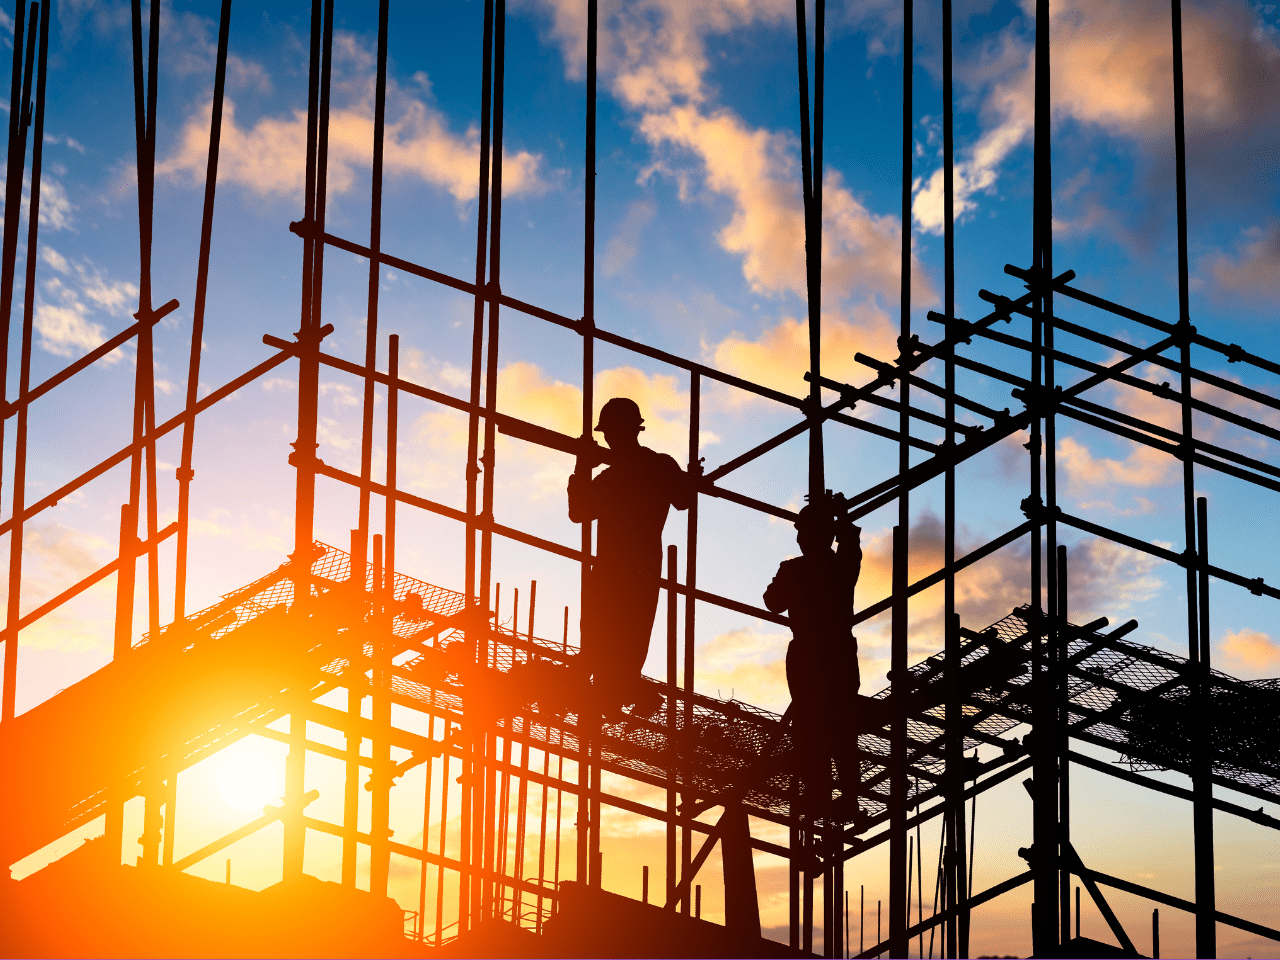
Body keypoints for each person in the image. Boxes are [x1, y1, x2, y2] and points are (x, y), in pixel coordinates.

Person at [568, 397, 695, 712]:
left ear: (625, 430)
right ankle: (614, 692)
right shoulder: (657, 465)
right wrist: (688, 478)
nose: (609, 438)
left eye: (610, 432)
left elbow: (578, 511)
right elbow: (683, 499)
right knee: (624, 638)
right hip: (640, 569)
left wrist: (582, 466)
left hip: (616, 570)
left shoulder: (616, 476)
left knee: (607, 639)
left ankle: (608, 695)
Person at [763, 491, 863, 820]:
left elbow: (772, 600)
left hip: (813, 652)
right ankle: (839, 797)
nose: (800, 537)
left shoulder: (795, 570)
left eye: (803, 531)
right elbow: (850, 547)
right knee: (836, 729)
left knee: (819, 728)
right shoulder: (838, 565)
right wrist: (842, 516)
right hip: (833, 651)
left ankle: (825, 796)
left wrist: (841, 518)